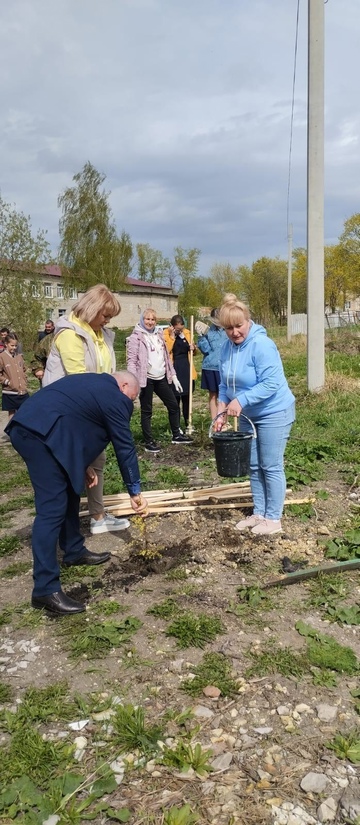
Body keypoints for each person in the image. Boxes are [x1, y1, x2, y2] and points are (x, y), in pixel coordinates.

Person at [5, 371, 149, 616]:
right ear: (124, 385)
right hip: (37, 435)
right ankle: (45, 589)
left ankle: (73, 550)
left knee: (71, 489)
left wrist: (82, 465)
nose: (130, 404)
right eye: (132, 398)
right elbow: (124, 446)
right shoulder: (114, 396)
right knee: (51, 508)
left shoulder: (92, 383)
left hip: (40, 428)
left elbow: (72, 420)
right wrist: (134, 491)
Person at [42, 284, 126, 535]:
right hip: (68, 409)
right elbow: (77, 379)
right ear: (92, 309)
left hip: (91, 406)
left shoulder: (100, 333)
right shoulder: (70, 334)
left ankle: (97, 516)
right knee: (71, 464)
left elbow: (106, 371)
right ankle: (61, 526)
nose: (108, 320)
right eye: (105, 315)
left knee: (96, 460)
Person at [216, 294, 295, 536]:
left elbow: (271, 383)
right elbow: (223, 385)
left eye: (238, 325)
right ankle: (259, 512)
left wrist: (242, 400)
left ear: (248, 321)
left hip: (273, 412)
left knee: (270, 464)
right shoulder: (225, 349)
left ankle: (273, 518)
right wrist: (221, 412)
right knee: (253, 465)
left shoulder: (262, 345)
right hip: (249, 416)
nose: (234, 332)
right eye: (228, 328)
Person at [126, 308, 192, 452]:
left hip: (161, 377)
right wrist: (132, 380)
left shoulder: (158, 335)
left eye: (153, 319)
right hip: (146, 379)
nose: (150, 322)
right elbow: (131, 360)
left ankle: (176, 435)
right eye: (147, 319)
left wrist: (173, 376)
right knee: (147, 410)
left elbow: (167, 358)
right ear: (142, 320)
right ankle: (149, 441)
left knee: (173, 406)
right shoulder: (136, 337)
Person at [163, 314, 197, 431]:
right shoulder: (165, 334)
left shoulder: (187, 333)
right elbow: (166, 351)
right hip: (174, 369)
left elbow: (193, 352)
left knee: (187, 398)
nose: (179, 331)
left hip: (186, 368)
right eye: (177, 329)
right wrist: (172, 336)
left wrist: (193, 348)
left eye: (181, 328)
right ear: (172, 327)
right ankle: (176, 426)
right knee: (175, 400)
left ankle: (189, 423)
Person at [195, 309, 227, 421]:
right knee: (213, 394)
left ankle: (223, 421)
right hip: (210, 366)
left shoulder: (227, 331)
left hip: (224, 367)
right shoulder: (208, 331)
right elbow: (206, 350)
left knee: (224, 395)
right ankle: (215, 421)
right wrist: (201, 337)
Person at [0, 333, 29, 420]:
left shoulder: (19, 356)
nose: (14, 348)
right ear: (6, 344)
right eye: (12, 345)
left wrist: (25, 379)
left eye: (16, 346)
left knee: (25, 411)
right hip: (10, 391)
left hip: (22, 391)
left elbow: (23, 369)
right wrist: (7, 382)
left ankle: (22, 431)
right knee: (12, 413)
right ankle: (11, 431)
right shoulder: (2, 357)